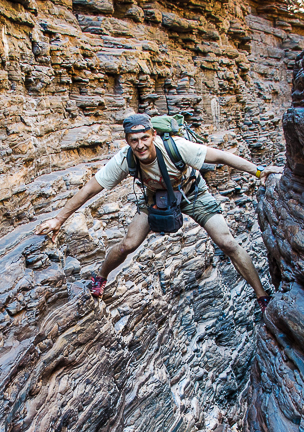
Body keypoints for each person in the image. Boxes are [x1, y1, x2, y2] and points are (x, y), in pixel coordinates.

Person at [35, 114, 281, 312]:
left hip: (192, 193)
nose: (140, 145)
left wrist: (259, 172)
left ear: (153, 135)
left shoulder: (176, 148)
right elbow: (90, 188)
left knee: (227, 242)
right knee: (127, 245)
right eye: (134, 140)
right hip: (156, 198)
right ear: (128, 141)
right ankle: (100, 277)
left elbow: (221, 157)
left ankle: (261, 297)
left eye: (144, 138)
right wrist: (59, 219)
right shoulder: (125, 159)